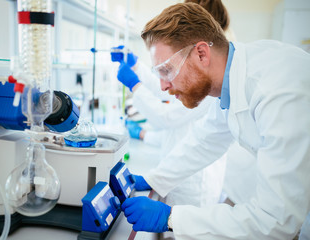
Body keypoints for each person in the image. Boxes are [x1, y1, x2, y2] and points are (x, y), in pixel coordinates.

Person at [120, 2, 310, 239]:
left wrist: (169, 218)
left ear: (201, 53)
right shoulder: (230, 81)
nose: (163, 86)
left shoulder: (276, 91)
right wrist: (153, 178)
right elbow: (204, 140)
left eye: (167, 70)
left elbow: (275, 221)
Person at [111, 0, 236, 208]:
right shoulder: (216, 79)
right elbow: (205, 141)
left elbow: (167, 114)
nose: (163, 85)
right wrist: (138, 67)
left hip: (195, 187)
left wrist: (136, 86)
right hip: (181, 170)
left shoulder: (212, 82)